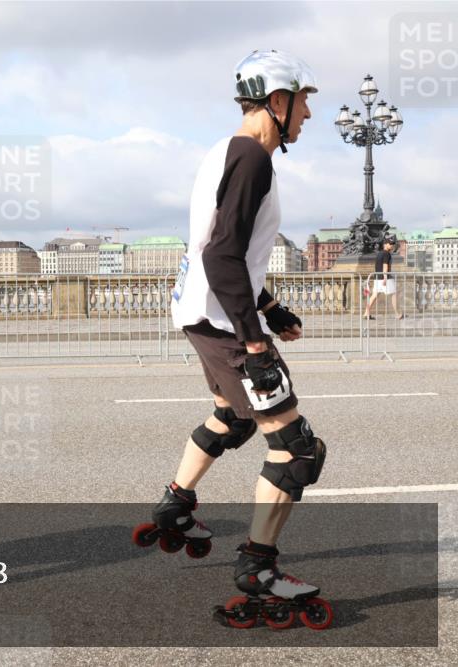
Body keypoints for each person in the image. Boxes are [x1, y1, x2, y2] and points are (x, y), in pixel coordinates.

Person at [133, 50, 331, 629]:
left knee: (233, 416)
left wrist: (271, 307)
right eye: (304, 103)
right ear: (278, 101)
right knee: (297, 449)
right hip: (223, 325)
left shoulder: (225, 151)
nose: (308, 117)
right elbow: (222, 253)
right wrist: (255, 341)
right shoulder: (254, 159)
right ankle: (258, 568)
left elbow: (223, 252)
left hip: (200, 313)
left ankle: (177, 502)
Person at [363, 234, 402, 320]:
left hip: (377, 278)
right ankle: (397, 314)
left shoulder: (379, 253)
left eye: (392, 244)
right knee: (394, 294)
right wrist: (385, 277)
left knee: (374, 296)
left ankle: (366, 313)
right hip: (385, 278)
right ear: (386, 244)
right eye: (391, 244)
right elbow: (385, 266)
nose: (392, 246)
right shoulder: (386, 254)